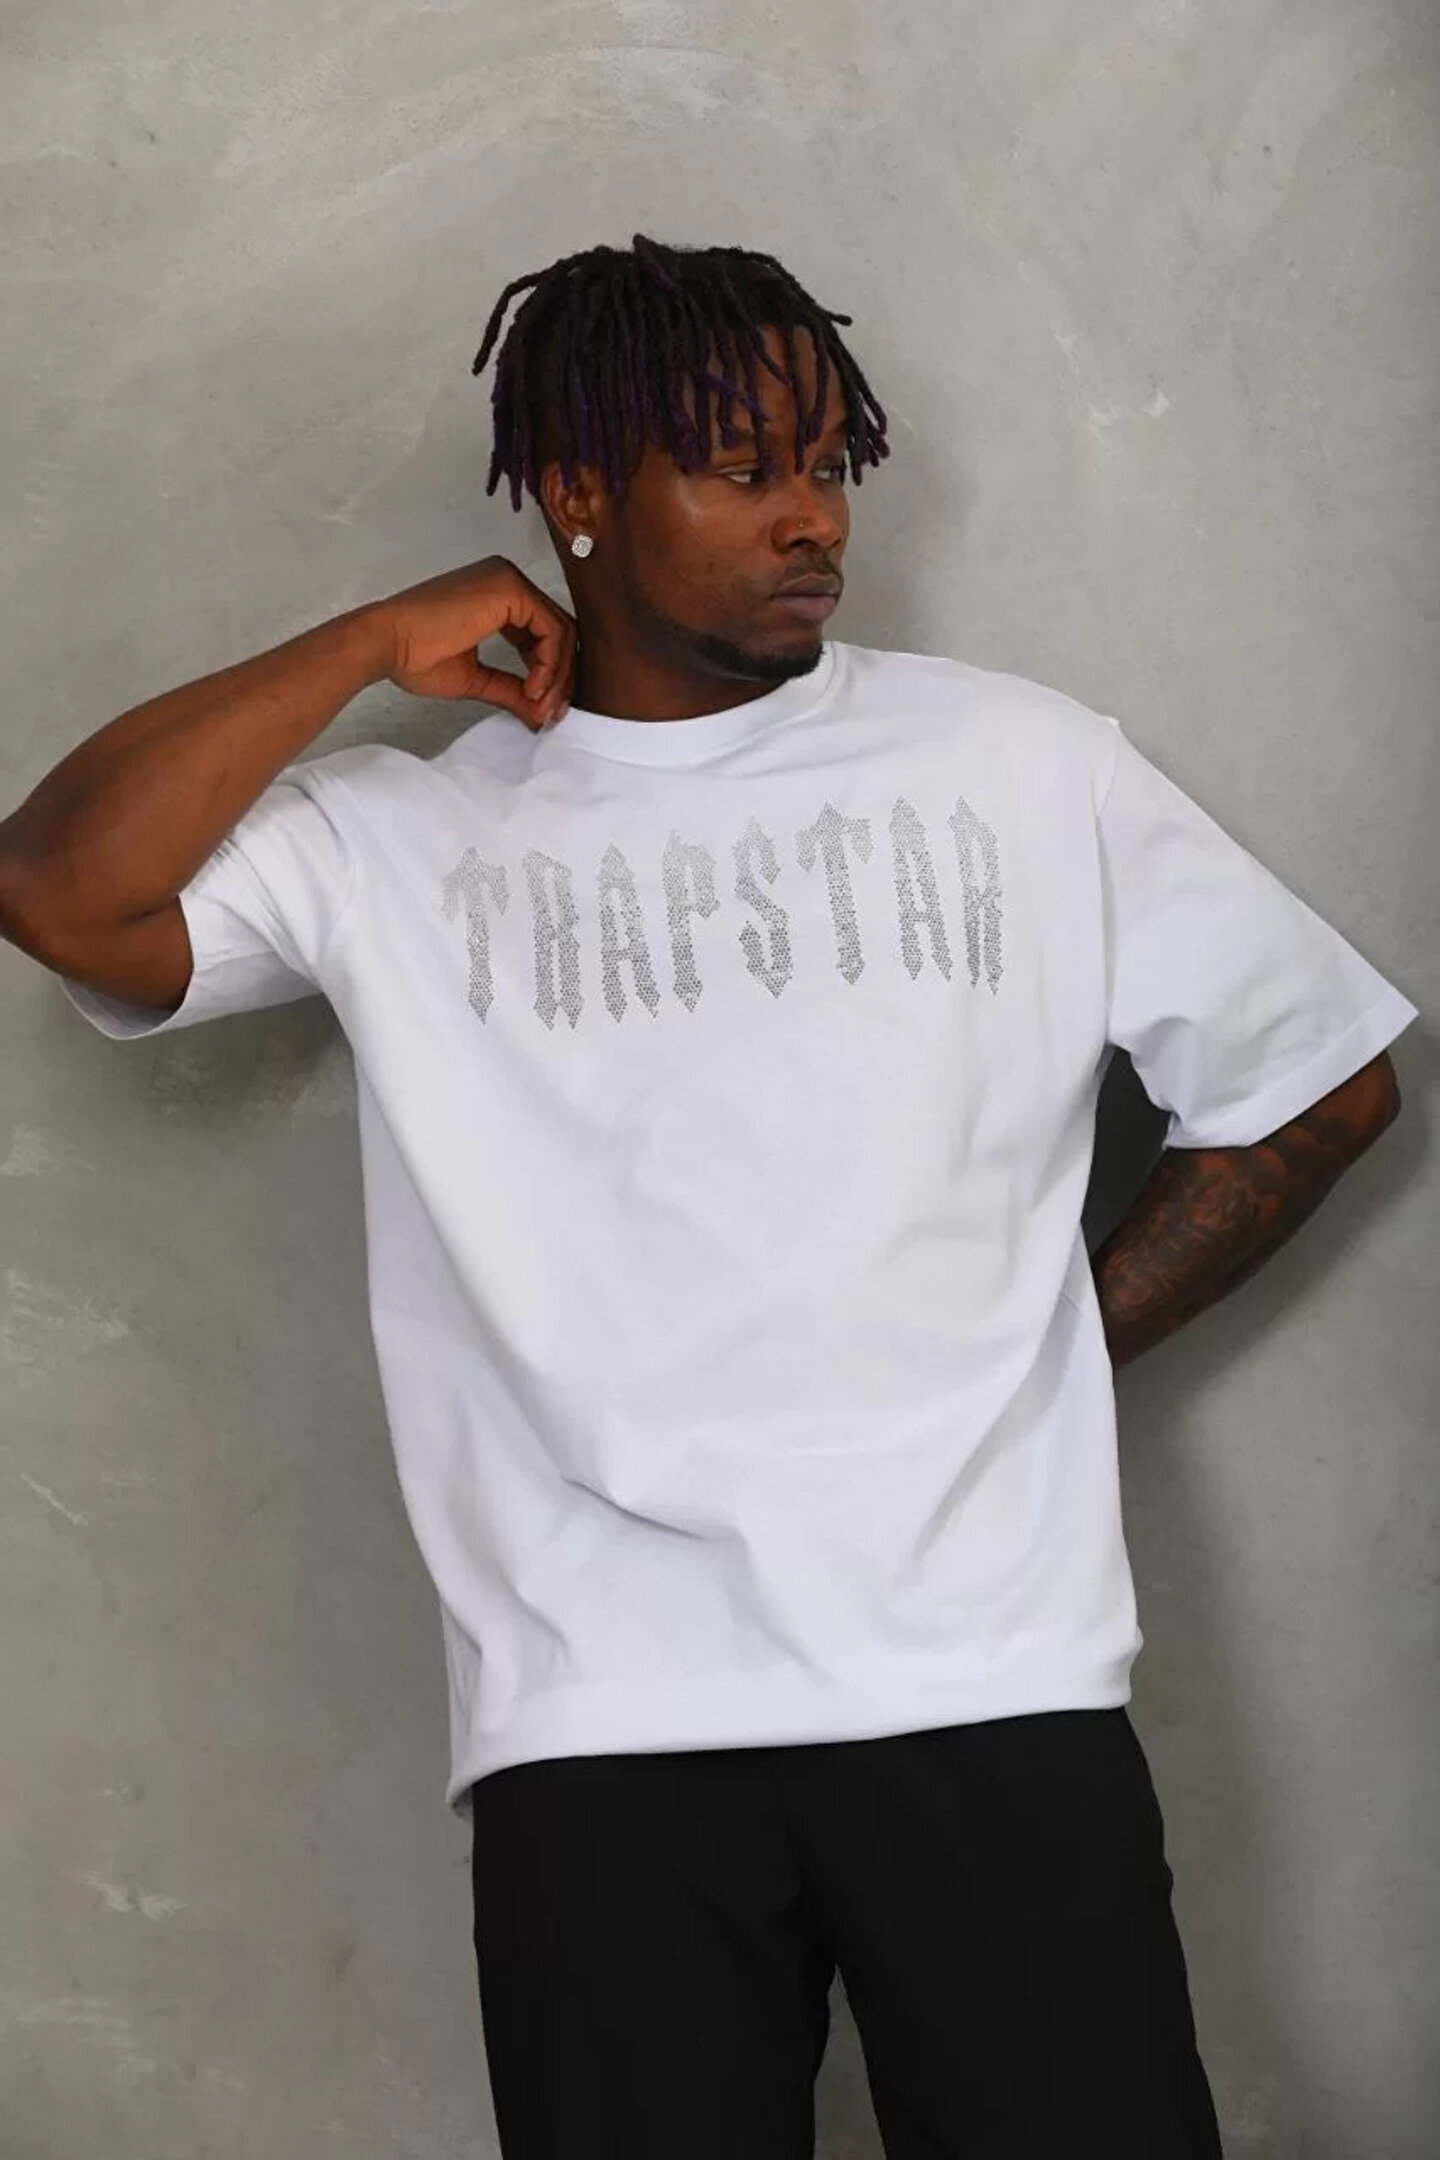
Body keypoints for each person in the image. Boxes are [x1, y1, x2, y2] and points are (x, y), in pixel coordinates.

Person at [0, 235, 1417, 2159]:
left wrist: (1050, 1346)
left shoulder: (1015, 767)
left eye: (829, 464)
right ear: (577, 491)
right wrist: (367, 644)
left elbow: (1321, 1080)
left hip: (985, 1686)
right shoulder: (403, 837)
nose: (812, 516)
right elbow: (58, 889)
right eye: (746, 467)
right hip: (602, 1728)